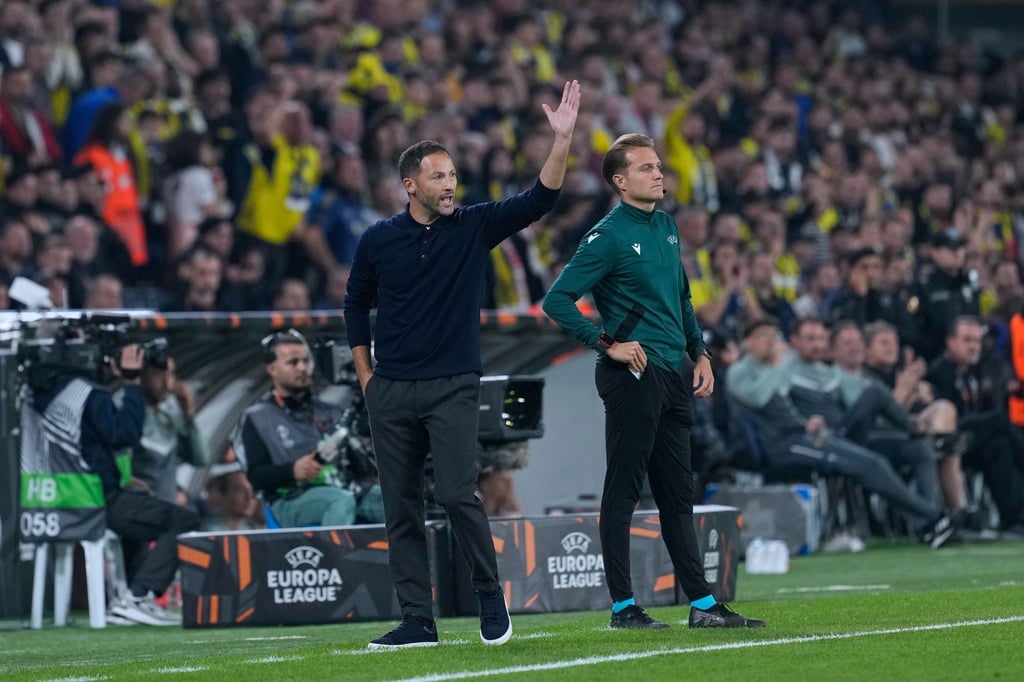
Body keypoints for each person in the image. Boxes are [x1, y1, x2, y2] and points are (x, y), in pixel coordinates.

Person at [344, 80, 581, 649]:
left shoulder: (474, 225)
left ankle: (487, 593)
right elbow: (355, 304)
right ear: (410, 185)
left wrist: (562, 140)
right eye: (438, 177)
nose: (450, 186)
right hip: (391, 389)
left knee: (456, 493)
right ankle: (416, 620)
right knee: (399, 507)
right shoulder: (378, 239)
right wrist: (366, 378)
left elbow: (539, 200)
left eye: (452, 176)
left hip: (452, 386)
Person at [543, 133, 765, 629]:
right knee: (623, 490)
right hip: (633, 374)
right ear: (620, 182)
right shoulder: (606, 236)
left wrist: (700, 353)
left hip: (673, 371)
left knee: (676, 493)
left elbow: (682, 299)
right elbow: (557, 300)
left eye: (659, 166)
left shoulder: (665, 226)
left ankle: (703, 605)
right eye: (646, 168)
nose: (659, 174)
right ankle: (623, 606)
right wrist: (608, 345)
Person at [726, 317, 957, 549]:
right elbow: (758, 397)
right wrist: (778, 366)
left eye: (774, 335)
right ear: (748, 343)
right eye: (764, 336)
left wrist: (807, 422)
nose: (771, 342)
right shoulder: (739, 371)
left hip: (805, 436)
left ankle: (932, 523)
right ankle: (935, 518)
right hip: (784, 445)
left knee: (901, 453)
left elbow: (784, 409)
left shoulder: (777, 369)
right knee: (871, 464)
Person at [31, 342, 198, 625]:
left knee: (137, 512)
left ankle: (131, 597)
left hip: (47, 502)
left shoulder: (47, 393)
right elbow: (124, 434)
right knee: (183, 521)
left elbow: (80, 449)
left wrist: (123, 477)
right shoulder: (89, 393)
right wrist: (132, 382)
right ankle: (137, 596)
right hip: (91, 501)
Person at [238, 330, 382, 527]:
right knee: (338, 501)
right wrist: (293, 471)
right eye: (293, 362)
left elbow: (360, 467)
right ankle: (337, 558)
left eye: (306, 361)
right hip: (290, 499)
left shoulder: (330, 412)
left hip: (342, 487)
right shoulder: (257, 417)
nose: (303, 368)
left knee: (390, 499)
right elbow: (256, 477)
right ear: (272, 369)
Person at [129, 341, 210, 505]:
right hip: (136, 511)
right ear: (141, 375)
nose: (167, 383)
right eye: (158, 374)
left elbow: (201, 458)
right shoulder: (125, 411)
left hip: (166, 511)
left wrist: (189, 416)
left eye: (171, 374)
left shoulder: (170, 414)